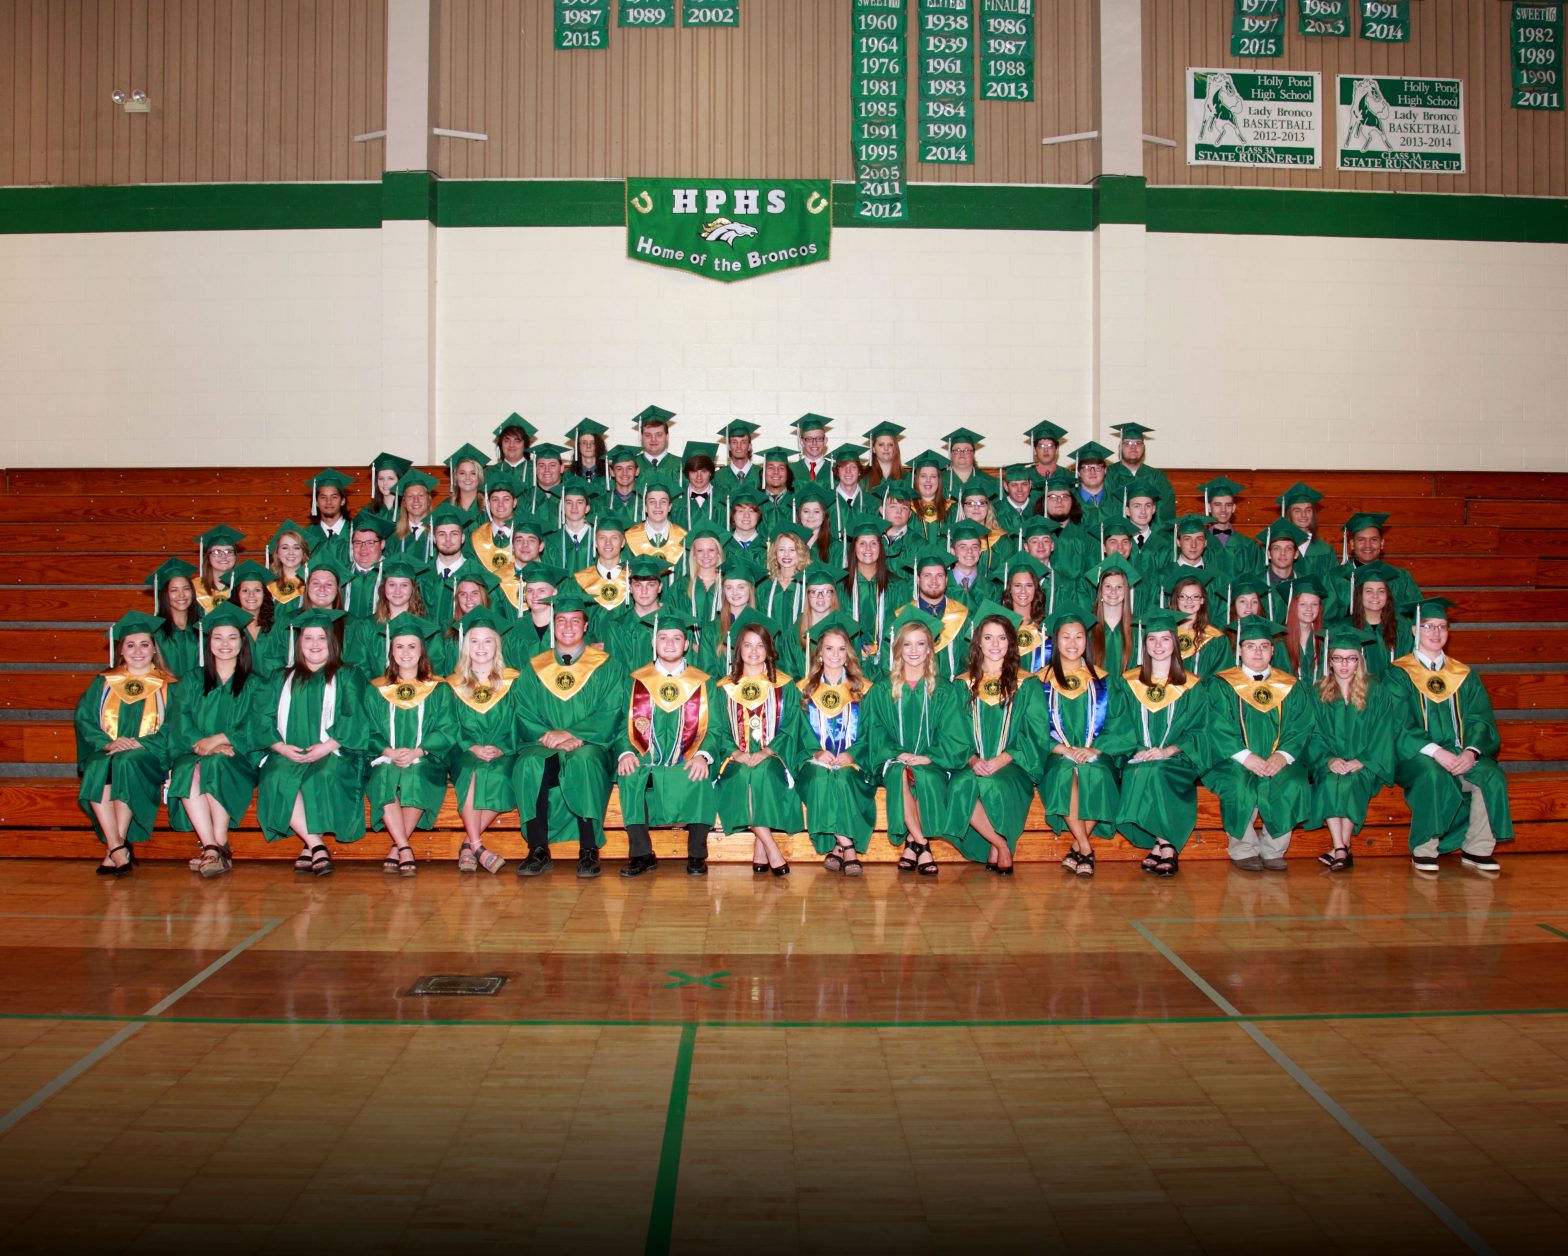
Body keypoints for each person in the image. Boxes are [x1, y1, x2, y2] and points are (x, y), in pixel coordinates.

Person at [1387, 597, 1512, 875]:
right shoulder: (1399, 674)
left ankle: (1477, 848)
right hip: (1415, 757)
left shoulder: (1463, 674)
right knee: (1433, 773)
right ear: (1415, 631)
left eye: (1442, 627)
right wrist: (1436, 751)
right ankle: (1425, 848)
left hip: (1459, 754)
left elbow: (1480, 719)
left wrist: (1471, 752)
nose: (1435, 633)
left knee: (1491, 774)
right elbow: (1398, 724)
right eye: (1429, 626)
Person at [512, 588, 630, 880]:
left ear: (586, 625)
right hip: (545, 743)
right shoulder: (536, 667)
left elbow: (612, 709)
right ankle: (538, 849)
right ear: (553, 624)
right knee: (529, 764)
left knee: (584, 761)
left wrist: (576, 734)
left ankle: (588, 850)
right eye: (561, 620)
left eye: (575, 621)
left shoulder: (606, 665)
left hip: (588, 743)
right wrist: (547, 735)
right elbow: (523, 708)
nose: (567, 627)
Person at [256, 607, 370, 876]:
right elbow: (262, 718)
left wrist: (328, 746)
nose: (315, 645)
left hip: (334, 751)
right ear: (299, 643)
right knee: (274, 777)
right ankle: (316, 844)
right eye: (308, 638)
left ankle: (310, 847)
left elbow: (355, 716)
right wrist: (280, 747)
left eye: (321, 638)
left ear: (331, 642)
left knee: (319, 775)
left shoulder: (348, 675)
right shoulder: (280, 678)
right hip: (287, 752)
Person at [615, 609, 724, 878]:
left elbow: (715, 728)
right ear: (654, 642)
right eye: (663, 638)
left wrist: (704, 756)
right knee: (630, 775)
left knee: (699, 772)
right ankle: (641, 854)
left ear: (686, 644)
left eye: (677, 638)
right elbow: (620, 726)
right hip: (645, 754)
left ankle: (697, 854)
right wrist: (626, 752)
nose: (670, 643)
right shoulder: (636, 680)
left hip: (688, 755)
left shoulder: (703, 682)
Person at [862, 607, 969, 875]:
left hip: (932, 760)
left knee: (924, 775)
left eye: (921, 644)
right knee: (900, 772)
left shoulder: (943, 690)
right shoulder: (882, 690)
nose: (913, 650)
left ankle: (913, 845)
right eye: (907, 644)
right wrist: (899, 753)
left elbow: (954, 735)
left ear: (930, 650)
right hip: (893, 760)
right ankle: (923, 843)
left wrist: (928, 756)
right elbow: (874, 732)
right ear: (897, 648)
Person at [1103, 609, 1209, 877]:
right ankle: (1166, 844)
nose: (1158, 645)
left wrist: (1168, 750)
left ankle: (1162, 844)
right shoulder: (1128, 682)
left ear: (1175, 643)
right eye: (1152, 639)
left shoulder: (1192, 685)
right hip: (1137, 756)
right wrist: (1138, 750)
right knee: (1142, 768)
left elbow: (1201, 729)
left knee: (1159, 770)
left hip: (1178, 758)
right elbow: (1118, 724)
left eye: (1165, 639)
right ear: (1144, 643)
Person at [1203, 616, 1313, 872]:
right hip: (1234, 760)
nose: (1258, 651)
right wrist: (1246, 757)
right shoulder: (1222, 684)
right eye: (1251, 646)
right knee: (1239, 785)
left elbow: (1302, 725)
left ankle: (1273, 849)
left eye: (1264, 646)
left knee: (1293, 783)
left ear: (1273, 651)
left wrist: (1283, 756)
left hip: (1278, 760)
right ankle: (1243, 849)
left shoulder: (1290, 686)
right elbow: (1216, 725)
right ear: (1240, 650)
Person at [166, 602, 265, 878]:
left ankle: (217, 843)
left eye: (232, 637)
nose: (225, 644)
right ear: (208, 643)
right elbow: (179, 719)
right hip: (195, 752)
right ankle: (213, 846)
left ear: (242, 643)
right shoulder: (191, 680)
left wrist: (222, 738)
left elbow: (260, 725)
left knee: (218, 763)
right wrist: (203, 743)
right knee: (188, 768)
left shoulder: (256, 684)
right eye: (218, 638)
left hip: (239, 758)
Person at [74, 611, 178, 876]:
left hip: (148, 754)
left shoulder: (170, 685)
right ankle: (118, 846)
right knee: (99, 766)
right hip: (110, 750)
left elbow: (177, 726)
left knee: (127, 762)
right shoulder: (105, 682)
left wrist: (142, 744)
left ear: (155, 648)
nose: (138, 651)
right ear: (121, 650)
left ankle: (114, 848)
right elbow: (84, 718)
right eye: (130, 645)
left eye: (144, 644)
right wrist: (106, 743)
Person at [947, 604, 1044, 875]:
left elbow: (1034, 733)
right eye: (988, 637)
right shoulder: (961, 683)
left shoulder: (1027, 684)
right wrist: (972, 758)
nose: (995, 644)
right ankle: (1000, 844)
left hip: (1013, 765)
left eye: (1002, 638)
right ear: (977, 642)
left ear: (1011, 643)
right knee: (961, 786)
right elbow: (952, 731)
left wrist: (1002, 759)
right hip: (972, 763)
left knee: (993, 783)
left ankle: (997, 845)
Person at [363, 612, 456, 876]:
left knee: (416, 773)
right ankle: (404, 846)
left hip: (426, 757)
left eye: (412, 646)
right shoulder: (376, 689)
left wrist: (418, 750)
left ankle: (397, 848)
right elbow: (366, 729)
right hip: (387, 756)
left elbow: (447, 728)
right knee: (383, 773)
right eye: (399, 646)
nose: (406, 652)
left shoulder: (438, 688)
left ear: (422, 650)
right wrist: (388, 751)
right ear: (391, 651)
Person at [716, 615, 805, 877]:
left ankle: (761, 846)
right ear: (739, 650)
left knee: (763, 772)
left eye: (759, 645)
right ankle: (770, 846)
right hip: (734, 759)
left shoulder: (785, 685)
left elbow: (791, 725)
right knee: (745, 773)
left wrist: (767, 751)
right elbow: (718, 729)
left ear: (769, 650)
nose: (753, 652)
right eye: (747, 645)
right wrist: (736, 753)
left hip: (774, 756)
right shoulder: (724, 687)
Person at [1309, 621, 1397, 873]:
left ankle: (1339, 848)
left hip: (1366, 763)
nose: (1345, 664)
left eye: (1351, 659)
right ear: (1330, 662)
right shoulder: (1318, 693)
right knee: (1329, 780)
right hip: (1330, 762)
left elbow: (1384, 731)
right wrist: (1328, 759)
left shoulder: (1375, 690)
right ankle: (1342, 848)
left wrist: (1363, 760)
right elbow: (1312, 734)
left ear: (1360, 661)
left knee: (1348, 781)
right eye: (1338, 658)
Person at [1036, 606, 1117, 877]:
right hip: (1055, 753)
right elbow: (1031, 727)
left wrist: (1094, 748)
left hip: (1094, 751)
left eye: (1079, 637)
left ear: (1087, 640)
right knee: (1064, 772)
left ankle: (1077, 848)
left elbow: (1119, 723)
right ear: (1055, 642)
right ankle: (1085, 847)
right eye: (1066, 637)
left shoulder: (1104, 680)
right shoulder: (1039, 681)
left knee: (1099, 772)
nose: (1072, 643)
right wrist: (1063, 750)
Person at [797, 613, 877, 875]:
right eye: (829, 648)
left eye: (841, 649)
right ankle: (848, 845)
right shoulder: (805, 689)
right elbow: (799, 731)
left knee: (842, 779)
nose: (835, 654)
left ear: (848, 654)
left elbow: (871, 731)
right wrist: (817, 751)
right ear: (819, 653)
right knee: (820, 778)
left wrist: (852, 755)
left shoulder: (863, 689)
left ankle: (836, 848)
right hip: (814, 760)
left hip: (851, 763)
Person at [446, 606, 522, 874]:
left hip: (504, 750)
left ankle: (468, 845)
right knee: (472, 771)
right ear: (466, 646)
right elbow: (447, 723)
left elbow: (520, 721)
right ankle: (478, 846)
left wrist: (502, 748)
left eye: (487, 640)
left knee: (501, 775)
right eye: (474, 641)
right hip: (464, 749)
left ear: (496, 645)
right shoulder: (453, 683)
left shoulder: (513, 681)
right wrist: (472, 746)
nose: (481, 647)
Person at [843, 513, 904, 679]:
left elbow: (902, 628)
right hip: (848, 666)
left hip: (888, 665)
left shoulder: (897, 586)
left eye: (873, 543)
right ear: (854, 547)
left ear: (881, 547)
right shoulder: (840, 586)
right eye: (862, 543)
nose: (868, 549)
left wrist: (881, 648)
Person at [902, 548, 973, 682]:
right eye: (927, 575)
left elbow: (972, 661)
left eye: (939, 575)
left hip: (954, 695)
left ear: (946, 580)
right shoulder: (903, 617)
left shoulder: (964, 617)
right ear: (917, 579)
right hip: (914, 695)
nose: (934, 581)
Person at [148, 558, 203, 680]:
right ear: (165, 594)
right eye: (174, 590)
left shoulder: (203, 626)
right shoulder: (154, 630)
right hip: (167, 693)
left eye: (186, 589)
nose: (181, 595)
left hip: (200, 693)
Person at [1105, 423, 1174, 519]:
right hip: (1117, 532)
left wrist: (1148, 534)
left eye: (1138, 443)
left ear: (1144, 448)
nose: (1133, 447)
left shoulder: (1156, 477)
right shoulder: (1108, 475)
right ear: (1120, 447)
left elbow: (1165, 513)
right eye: (1128, 443)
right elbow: (1106, 510)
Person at [1195, 476, 1262, 574]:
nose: (1223, 510)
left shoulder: (1249, 546)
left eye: (1228, 505)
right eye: (1218, 504)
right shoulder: (1197, 543)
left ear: (1234, 508)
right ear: (1209, 507)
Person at [1168, 574, 1232, 676]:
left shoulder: (1216, 639)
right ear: (1176, 600)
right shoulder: (1165, 634)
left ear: (1202, 600)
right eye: (1183, 596)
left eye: (1195, 596)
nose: (1189, 601)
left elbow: (1222, 676)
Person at [1002, 554, 1054, 673]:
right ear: (1009, 589)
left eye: (1029, 586)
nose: (1023, 591)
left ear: (1036, 589)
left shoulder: (1046, 627)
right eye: (1017, 586)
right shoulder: (1000, 626)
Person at [575, 510, 632, 612]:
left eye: (614, 538)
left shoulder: (633, 580)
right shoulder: (580, 580)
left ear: (623, 542)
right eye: (602, 538)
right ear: (595, 542)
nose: (608, 543)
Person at [625, 473, 687, 565]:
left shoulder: (684, 538)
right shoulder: (629, 538)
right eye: (652, 501)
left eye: (663, 501)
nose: (657, 506)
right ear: (645, 507)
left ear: (670, 507)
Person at [343, 511, 394, 622]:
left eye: (370, 543)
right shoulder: (341, 575)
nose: (363, 548)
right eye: (357, 542)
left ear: (382, 544)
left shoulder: (393, 576)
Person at [304, 468, 356, 568]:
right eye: (323, 497)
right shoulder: (307, 536)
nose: (329, 502)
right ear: (316, 502)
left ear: (342, 501)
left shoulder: (356, 532)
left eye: (334, 497)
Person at [192, 525, 244, 611]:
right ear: (208, 557)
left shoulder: (246, 588)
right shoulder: (194, 587)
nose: (223, 556)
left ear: (235, 556)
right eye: (216, 551)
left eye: (229, 551)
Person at [675, 442, 725, 530]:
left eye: (704, 471)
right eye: (694, 471)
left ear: (710, 472)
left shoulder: (723, 500)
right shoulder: (677, 502)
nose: (699, 477)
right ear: (687, 473)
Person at [390, 469, 439, 560]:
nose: (416, 500)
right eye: (410, 496)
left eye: (421, 495)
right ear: (404, 502)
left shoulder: (439, 532)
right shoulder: (392, 536)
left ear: (428, 500)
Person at [444, 442, 491, 530]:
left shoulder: (488, 508)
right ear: (455, 477)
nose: (467, 478)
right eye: (462, 473)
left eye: (473, 473)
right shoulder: (446, 506)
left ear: (479, 477)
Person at [713, 420, 763, 497]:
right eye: (734, 442)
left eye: (743, 442)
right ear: (729, 447)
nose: (738, 446)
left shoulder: (761, 474)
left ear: (749, 446)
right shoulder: (718, 476)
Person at [634, 404, 680, 477]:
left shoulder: (681, 465)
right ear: (642, 437)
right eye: (648, 435)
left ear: (667, 436)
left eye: (659, 435)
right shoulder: (631, 466)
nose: (653, 439)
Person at [492, 413, 538, 485]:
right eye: (506, 440)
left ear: (525, 445)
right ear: (501, 445)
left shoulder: (537, 471)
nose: (511, 445)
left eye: (517, 440)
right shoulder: (490, 472)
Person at [567, 417, 610, 487]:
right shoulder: (569, 476)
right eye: (584, 443)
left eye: (593, 443)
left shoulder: (608, 474)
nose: (588, 446)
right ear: (578, 446)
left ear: (598, 445)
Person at [369, 451, 413, 517]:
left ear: (400, 481)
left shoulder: (409, 511)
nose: (385, 483)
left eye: (390, 478)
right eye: (381, 478)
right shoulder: (369, 511)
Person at [864, 421, 906, 489]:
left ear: (895, 448)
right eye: (881, 444)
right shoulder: (863, 478)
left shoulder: (907, 478)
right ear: (874, 449)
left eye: (890, 444)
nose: (886, 448)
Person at [792, 413, 832, 483]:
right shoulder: (791, 470)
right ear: (802, 442)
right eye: (809, 439)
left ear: (825, 441)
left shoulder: (836, 470)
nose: (814, 443)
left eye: (819, 438)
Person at [1026, 420, 1068, 485]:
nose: (1046, 450)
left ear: (1056, 450)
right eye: (1041, 446)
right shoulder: (1024, 477)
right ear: (1034, 450)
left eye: (1050, 446)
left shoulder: (1068, 476)